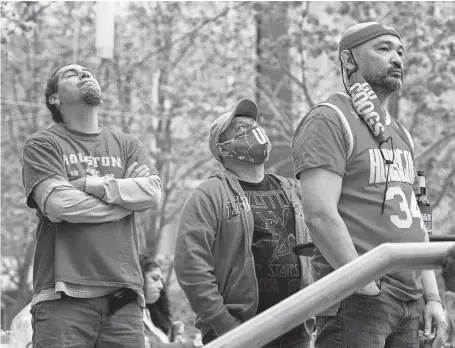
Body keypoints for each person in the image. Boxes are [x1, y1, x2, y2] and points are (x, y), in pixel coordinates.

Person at [292, 22, 447, 348]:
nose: (397, 59)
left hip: (411, 300)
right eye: (383, 48)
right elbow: (319, 213)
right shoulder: (329, 119)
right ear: (349, 60)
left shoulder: (402, 135)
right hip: (360, 301)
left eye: (400, 51)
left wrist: (432, 297)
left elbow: (417, 219)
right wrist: (363, 283)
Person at [22, 64, 162, 348]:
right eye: (71, 74)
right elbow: (60, 205)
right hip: (62, 299)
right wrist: (126, 201)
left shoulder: (128, 145)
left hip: (124, 302)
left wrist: (91, 184)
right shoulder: (43, 144)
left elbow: (151, 192)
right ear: (55, 98)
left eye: (87, 71)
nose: (85, 74)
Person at [174, 98, 314, 348]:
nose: (252, 131)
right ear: (224, 149)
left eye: (254, 126)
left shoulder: (294, 189)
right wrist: (224, 324)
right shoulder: (209, 194)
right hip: (236, 333)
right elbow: (190, 266)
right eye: (241, 129)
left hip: (296, 329)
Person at [141, 256, 201, 348]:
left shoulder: (148, 313)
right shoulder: (129, 317)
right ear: (139, 279)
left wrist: (174, 334)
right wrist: (191, 344)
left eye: (161, 280)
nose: (160, 286)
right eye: (155, 278)